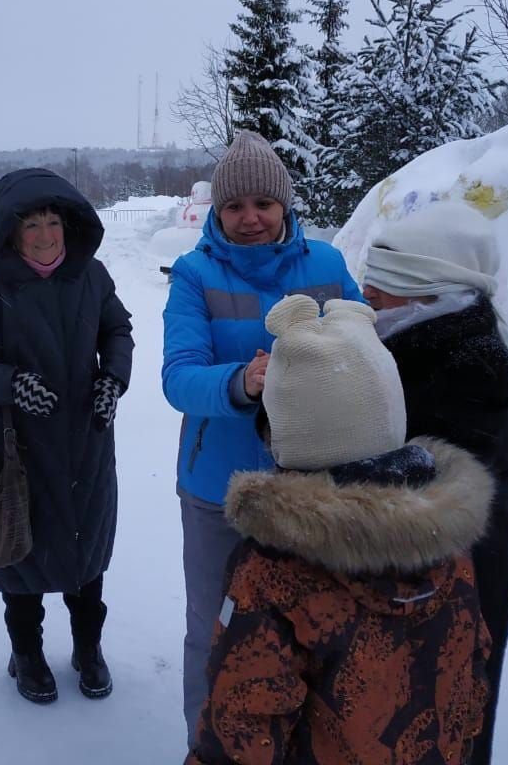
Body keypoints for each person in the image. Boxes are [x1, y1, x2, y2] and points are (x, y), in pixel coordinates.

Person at [187, 294, 493, 765]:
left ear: (290, 434)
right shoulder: (448, 540)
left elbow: (243, 727)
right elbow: (468, 684)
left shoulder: (274, 570)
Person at [161, 129, 364, 746]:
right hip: (219, 488)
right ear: (218, 212)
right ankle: (210, 744)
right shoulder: (195, 273)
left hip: (313, 483)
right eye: (234, 206)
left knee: (315, 619)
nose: (250, 218)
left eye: (263, 204)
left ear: (285, 205)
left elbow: (366, 345)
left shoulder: (326, 265)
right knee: (216, 626)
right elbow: (179, 377)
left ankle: (301, 742)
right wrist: (242, 382)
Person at [0, 167, 133, 704]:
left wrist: (112, 380)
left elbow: (117, 329)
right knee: (18, 560)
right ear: (10, 231)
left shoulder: (91, 277)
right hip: (14, 451)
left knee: (85, 557)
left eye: (54, 222)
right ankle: (26, 652)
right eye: (32, 226)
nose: (46, 236)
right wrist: (8, 385)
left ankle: (88, 648)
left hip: (85, 446)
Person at [361, 202, 508, 765]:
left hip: (462, 583)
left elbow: (418, 469)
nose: (367, 308)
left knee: (448, 721)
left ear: (426, 295)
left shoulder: (469, 362)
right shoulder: (426, 338)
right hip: (426, 579)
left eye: (377, 297)